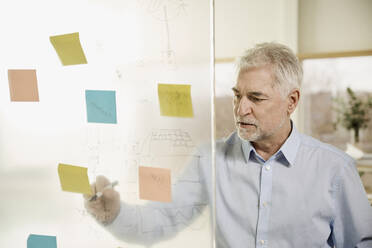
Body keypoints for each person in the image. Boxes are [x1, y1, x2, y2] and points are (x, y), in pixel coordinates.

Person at [84, 42, 372, 247]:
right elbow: (161, 220)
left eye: (256, 98)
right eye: (237, 95)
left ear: (291, 101)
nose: (240, 109)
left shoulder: (335, 170)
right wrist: (115, 215)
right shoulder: (209, 159)